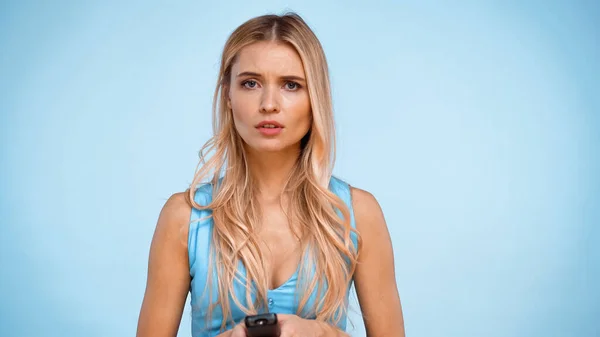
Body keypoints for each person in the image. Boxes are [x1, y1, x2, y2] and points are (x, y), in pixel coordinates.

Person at [136, 12, 405, 337]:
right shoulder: (184, 217)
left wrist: (323, 334)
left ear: (314, 97)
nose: (269, 104)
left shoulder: (358, 214)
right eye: (250, 83)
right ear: (228, 95)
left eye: (291, 85)